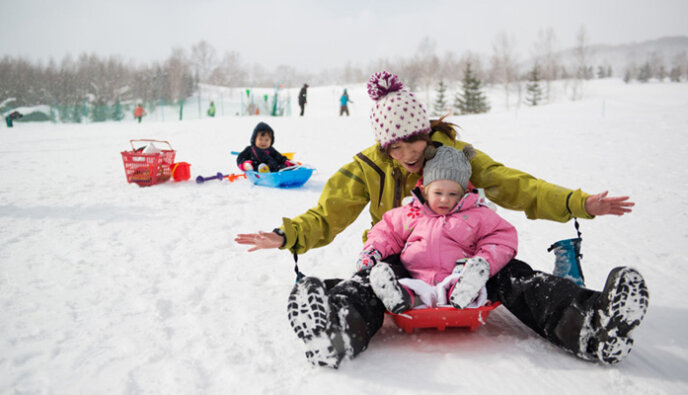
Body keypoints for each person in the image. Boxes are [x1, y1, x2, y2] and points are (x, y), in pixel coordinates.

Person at [235, 71, 648, 369]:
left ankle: (593, 326)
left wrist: (579, 203)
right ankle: (335, 333)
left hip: (466, 258)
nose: (406, 154)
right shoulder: (367, 168)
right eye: (393, 148)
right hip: (401, 257)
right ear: (383, 146)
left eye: (414, 141)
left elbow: (515, 185)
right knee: (367, 283)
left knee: (519, 278)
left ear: (426, 130)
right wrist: (285, 234)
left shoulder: (456, 158)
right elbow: (327, 213)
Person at [359, 145, 518, 314]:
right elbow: (386, 231)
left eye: (452, 194)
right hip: (413, 278)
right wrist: (373, 251)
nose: (444, 199)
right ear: (425, 191)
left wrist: (483, 261)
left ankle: (463, 291)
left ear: (463, 193)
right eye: (438, 192)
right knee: (393, 273)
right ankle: (396, 294)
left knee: (467, 278)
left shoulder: (476, 214)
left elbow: (501, 237)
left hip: (457, 278)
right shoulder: (412, 213)